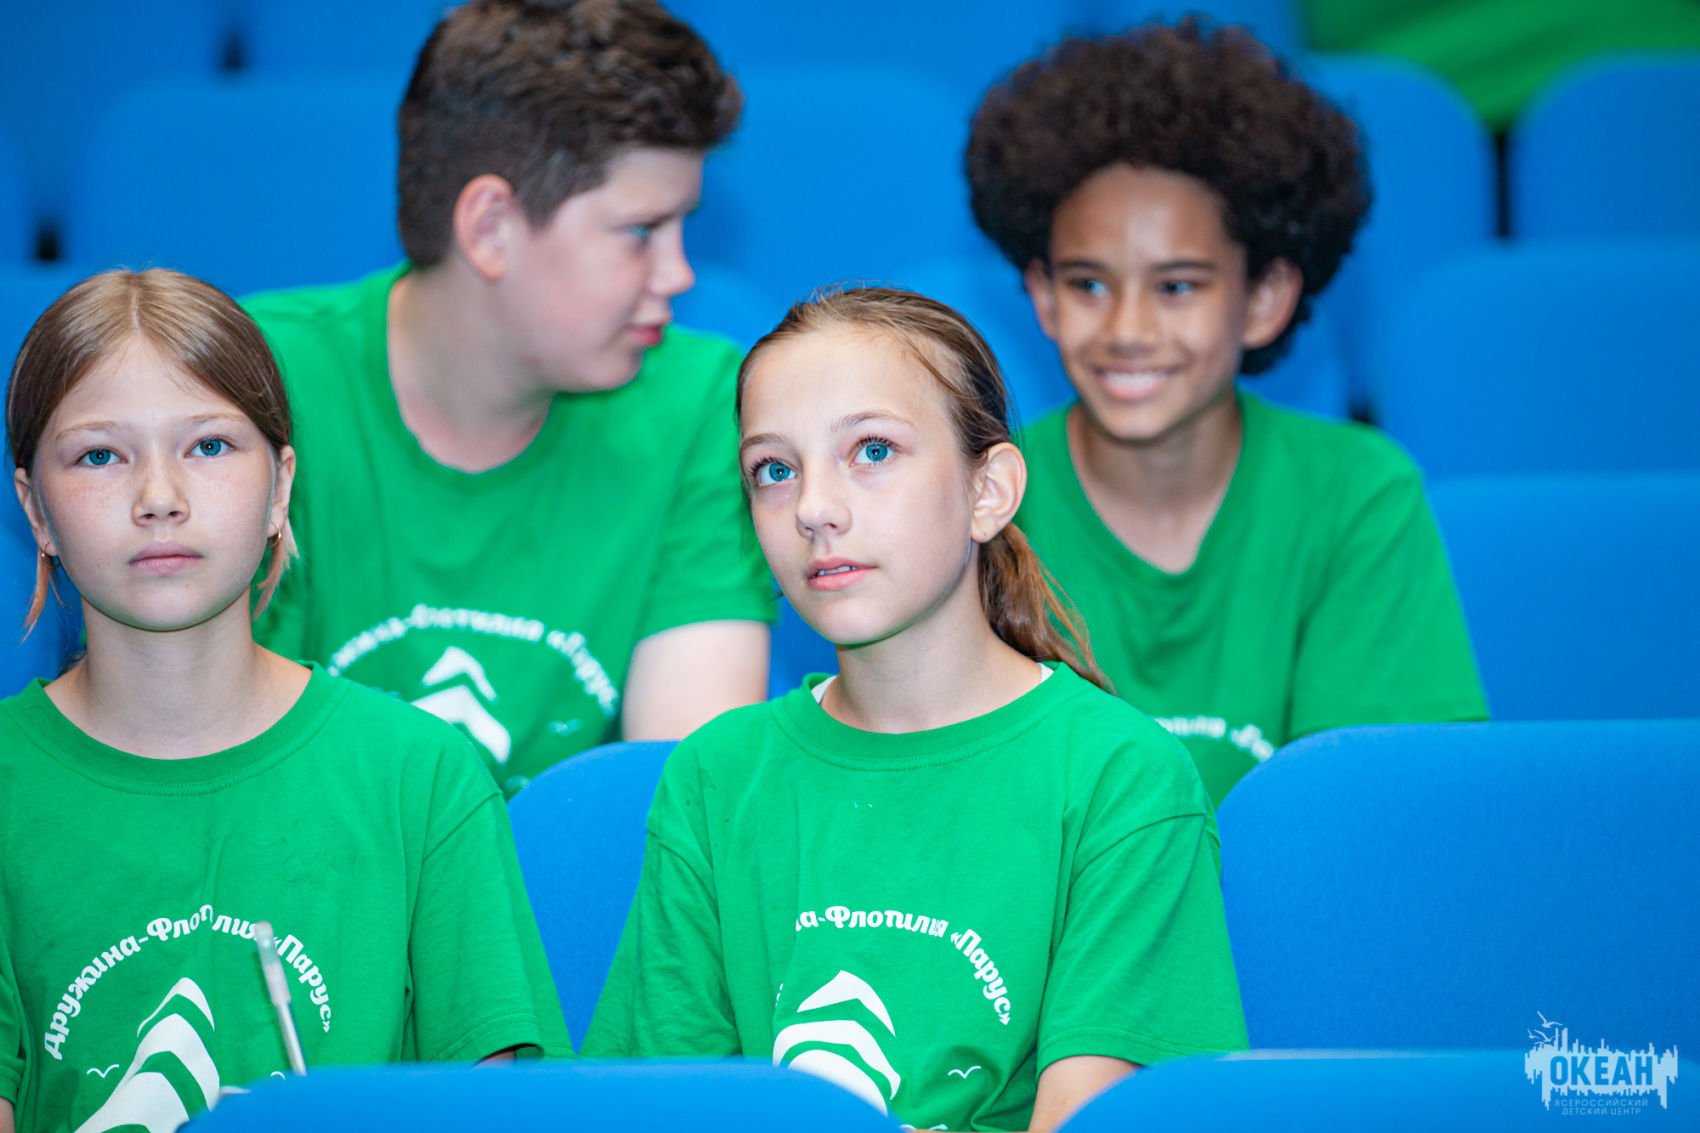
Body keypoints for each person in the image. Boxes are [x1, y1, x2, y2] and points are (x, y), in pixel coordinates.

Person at [584, 287, 1246, 1133]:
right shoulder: (714, 776)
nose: (814, 508)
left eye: (872, 450)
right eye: (774, 470)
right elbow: (662, 1108)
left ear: (989, 490)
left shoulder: (1123, 778)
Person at [0, 270, 571, 1133]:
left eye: (209, 446)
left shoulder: (422, 777)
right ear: (35, 510)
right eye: (100, 456)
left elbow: (499, 1112)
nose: (160, 498)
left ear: (279, 488)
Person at [243, 0, 774, 796]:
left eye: (681, 229)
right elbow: (228, 775)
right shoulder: (252, 382)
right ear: (491, 228)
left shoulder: (703, 402)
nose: (679, 274)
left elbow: (680, 804)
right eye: (641, 232)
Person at [965, 19, 1489, 804]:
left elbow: (1379, 813)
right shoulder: (981, 508)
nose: (1127, 329)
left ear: (1265, 298)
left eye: (1177, 286)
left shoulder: (1356, 493)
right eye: (1088, 284)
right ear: (1042, 294)